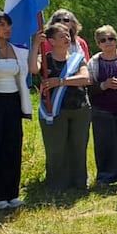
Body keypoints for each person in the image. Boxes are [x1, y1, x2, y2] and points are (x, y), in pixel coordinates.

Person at [30, 22, 92, 191]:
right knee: (56, 148)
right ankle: (57, 183)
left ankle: (79, 182)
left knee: (79, 146)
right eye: (61, 35)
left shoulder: (76, 59)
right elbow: (33, 69)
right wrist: (36, 44)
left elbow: (86, 78)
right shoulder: (45, 59)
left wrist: (61, 81)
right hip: (55, 110)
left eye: (67, 34)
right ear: (51, 41)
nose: (67, 38)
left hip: (79, 108)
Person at [0, 11, 32, 209]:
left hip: (13, 100)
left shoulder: (18, 50)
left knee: (13, 145)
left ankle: (12, 192)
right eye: (2, 25)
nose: (7, 29)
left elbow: (29, 71)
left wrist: (37, 45)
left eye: (9, 25)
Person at [87, 25, 117, 186]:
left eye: (111, 38)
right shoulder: (94, 62)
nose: (108, 42)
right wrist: (104, 85)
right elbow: (89, 86)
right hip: (102, 110)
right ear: (98, 43)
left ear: (116, 40)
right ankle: (105, 176)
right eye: (103, 40)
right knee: (104, 144)